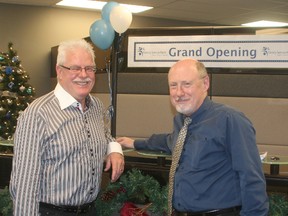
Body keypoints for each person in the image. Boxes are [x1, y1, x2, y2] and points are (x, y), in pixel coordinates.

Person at [117, 58, 269, 216]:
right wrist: (135, 143)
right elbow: (170, 142)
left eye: (186, 84)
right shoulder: (181, 121)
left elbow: (252, 178)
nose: (179, 92)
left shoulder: (230, 120)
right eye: (173, 85)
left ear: (205, 83)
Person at [9, 39, 124, 216]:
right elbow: (24, 184)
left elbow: (105, 133)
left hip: (89, 210)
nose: (83, 74)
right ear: (59, 71)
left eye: (89, 68)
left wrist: (114, 149)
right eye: (75, 68)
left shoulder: (96, 107)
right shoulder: (37, 114)